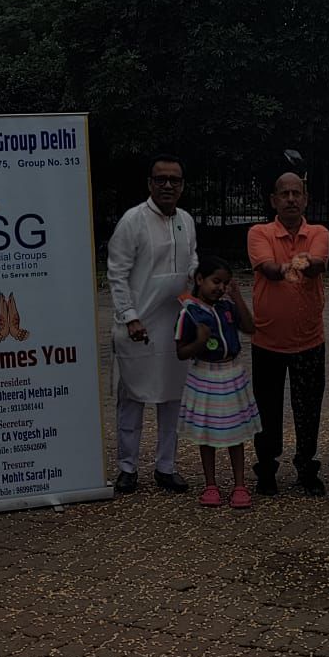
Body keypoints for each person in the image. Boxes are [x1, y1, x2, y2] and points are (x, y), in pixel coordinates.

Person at [106, 154, 199, 494]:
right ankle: (127, 468)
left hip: (174, 325)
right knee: (132, 398)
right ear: (149, 183)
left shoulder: (186, 220)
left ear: (182, 185)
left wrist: (198, 297)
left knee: (172, 398)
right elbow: (116, 273)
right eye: (161, 179)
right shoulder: (132, 220)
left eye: (174, 180)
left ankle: (166, 467)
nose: (167, 185)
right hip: (138, 327)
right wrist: (130, 317)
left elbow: (191, 263)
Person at [246, 172, 329, 497]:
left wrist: (292, 265)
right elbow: (268, 268)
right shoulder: (259, 232)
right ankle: (266, 469)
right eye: (285, 194)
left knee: (308, 409)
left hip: (309, 341)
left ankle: (307, 468)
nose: (291, 199)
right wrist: (291, 266)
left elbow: (318, 264)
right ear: (273, 200)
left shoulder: (319, 232)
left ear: (306, 199)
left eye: (297, 193)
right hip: (267, 341)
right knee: (266, 410)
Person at [174, 256, 262, 508]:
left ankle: (239, 485)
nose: (220, 288)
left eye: (225, 283)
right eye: (216, 281)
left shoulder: (227, 308)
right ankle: (210, 484)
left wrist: (237, 297)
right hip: (205, 375)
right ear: (199, 279)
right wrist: (199, 343)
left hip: (231, 374)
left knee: (236, 433)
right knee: (207, 433)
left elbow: (250, 328)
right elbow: (181, 352)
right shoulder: (189, 313)